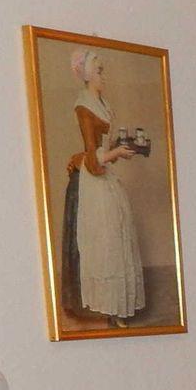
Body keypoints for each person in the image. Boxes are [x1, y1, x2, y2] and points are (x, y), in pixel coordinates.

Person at [58, 48, 144, 326]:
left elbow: (105, 152)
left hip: (107, 177)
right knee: (104, 241)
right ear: (87, 75)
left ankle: (117, 308)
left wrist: (121, 149)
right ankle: (107, 308)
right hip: (93, 181)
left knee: (118, 238)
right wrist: (116, 152)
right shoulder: (84, 107)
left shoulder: (103, 103)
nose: (103, 76)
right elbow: (94, 158)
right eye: (99, 71)